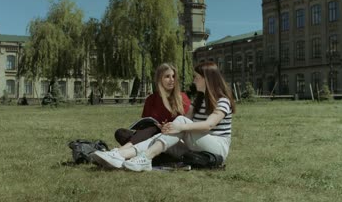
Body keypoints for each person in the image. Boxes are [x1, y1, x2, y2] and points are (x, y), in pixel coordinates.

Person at [91, 61, 235, 171]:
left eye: (197, 77)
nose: (194, 80)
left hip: (217, 147)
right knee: (158, 138)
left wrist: (179, 126)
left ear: (207, 79)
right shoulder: (198, 101)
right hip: (197, 146)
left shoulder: (222, 100)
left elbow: (208, 125)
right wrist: (168, 128)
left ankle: (145, 157)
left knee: (179, 122)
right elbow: (186, 120)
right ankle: (119, 155)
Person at [114, 63, 191, 152]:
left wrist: (166, 128)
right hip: (150, 135)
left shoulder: (182, 98)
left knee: (152, 129)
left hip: (172, 138)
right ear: (159, 79)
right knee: (121, 133)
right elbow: (145, 123)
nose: (171, 80)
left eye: (173, 76)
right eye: (167, 77)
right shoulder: (151, 99)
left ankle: (120, 152)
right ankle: (136, 151)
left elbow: (187, 125)